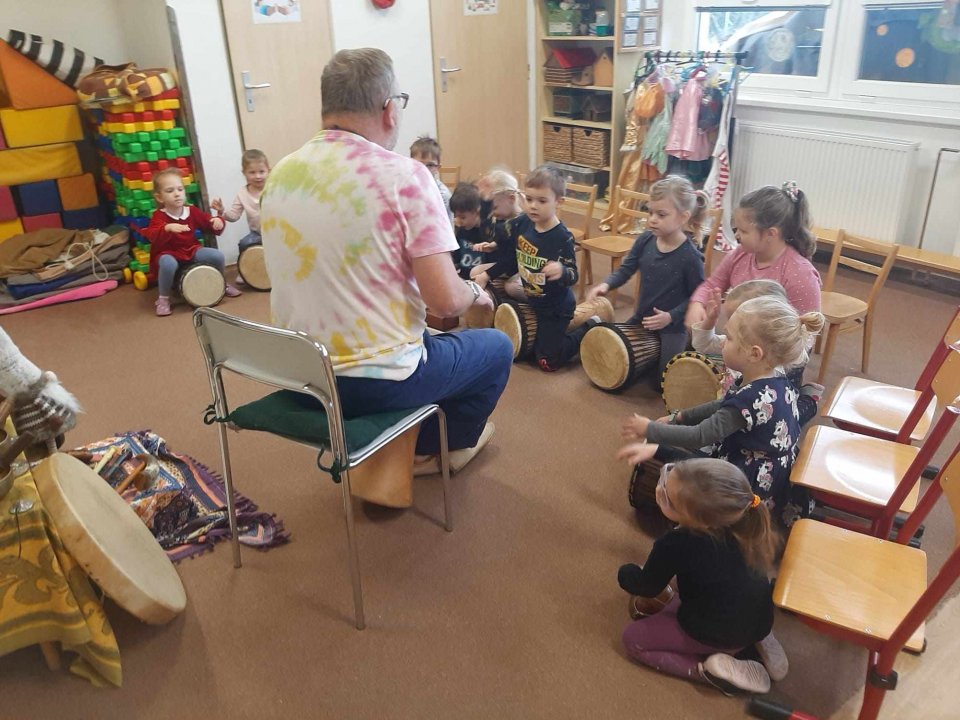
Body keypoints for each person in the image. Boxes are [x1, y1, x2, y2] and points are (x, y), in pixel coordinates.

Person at [259, 48, 512, 472]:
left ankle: (395, 436)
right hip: (377, 383)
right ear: (390, 109)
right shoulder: (406, 177)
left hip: (302, 378)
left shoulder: (282, 173)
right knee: (496, 347)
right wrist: (474, 291)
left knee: (430, 338)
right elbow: (445, 302)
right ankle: (430, 450)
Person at [620, 296, 825, 528]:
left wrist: (649, 429)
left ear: (754, 354)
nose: (722, 343)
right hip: (771, 462)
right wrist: (679, 417)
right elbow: (723, 405)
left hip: (751, 479)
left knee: (703, 474)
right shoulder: (776, 379)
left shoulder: (750, 398)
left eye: (729, 338)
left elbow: (700, 435)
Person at [617, 458, 787, 695]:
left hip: (718, 632)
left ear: (699, 520)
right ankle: (761, 640)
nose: (659, 490)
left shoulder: (675, 544)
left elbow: (647, 586)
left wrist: (627, 574)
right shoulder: (742, 523)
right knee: (724, 588)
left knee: (633, 639)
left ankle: (710, 671)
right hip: (759, 619)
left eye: (668, 498)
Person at [586, 175, 706, 382]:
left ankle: (689, 341)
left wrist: (670, 316)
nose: (652, 219)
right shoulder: (645, 239)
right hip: (642, 317)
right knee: (614, 354)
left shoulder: (691, 257)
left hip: (672, 327)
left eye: (661, 214)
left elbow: (697, 297)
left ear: (683, 217)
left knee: (662, 381)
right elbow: (626, 270)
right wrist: (606, 284)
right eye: (650, 212)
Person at [478, 166, 595, 372]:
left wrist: (561, 270)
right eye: (530, 199)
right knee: (522, 348)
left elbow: (573, 275)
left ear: (559, 202)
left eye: (542, 201)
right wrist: (494, 242)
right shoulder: (523, 222)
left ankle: (589, 327)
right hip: (532, 297)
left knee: (548, 362)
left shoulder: (562, 237)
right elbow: (501, 234)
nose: (533, 206)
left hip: (556, 307)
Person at [685, 182, 822, 329]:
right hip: (739, 337)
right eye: (736, 229)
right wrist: (697, 303)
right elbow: (713, 285)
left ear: (771, 234)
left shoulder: (800, 274)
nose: (736, 235)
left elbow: (808, 330)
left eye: (743, 231)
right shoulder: (739, 254)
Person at [694, 279, 820, 425]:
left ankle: (810, 398)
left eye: (736, 319)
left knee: (794, 419)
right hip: (735, 405)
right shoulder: (735, 342)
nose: (729, 324)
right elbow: (703, 345)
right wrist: (710, 321)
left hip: (760, 414)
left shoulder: (772, 373)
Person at [140, 168, 240, 317]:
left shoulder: (191, 211)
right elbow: (152, 235)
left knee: (216, 256)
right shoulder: (159, 216)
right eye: (170, 191)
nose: (177, 193)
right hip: (167, 252)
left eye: (180, 189)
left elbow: (209, 223)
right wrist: (167, 227)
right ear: (159, 197)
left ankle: (221, 284)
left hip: (190, 249)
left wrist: (218, 219)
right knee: (168, 263)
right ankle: (163, 299)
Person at [212, 148, 270, 253]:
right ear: (244, 173)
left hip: (277, 232)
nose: (258, 176)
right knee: (244, 244)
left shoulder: (273, 188)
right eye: (252, 172)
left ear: (268, 170)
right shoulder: (242, 194)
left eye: (261, 172)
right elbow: (234, 216)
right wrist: (221, 211)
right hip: (257, 234)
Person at [449, 182, 487, 280]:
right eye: (456, 216)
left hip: (480, 278)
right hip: (463, 277)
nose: (458, 220)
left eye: (463, 217)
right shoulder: (461, 230)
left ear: (477, 212)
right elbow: (457, 256)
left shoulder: (486, 231)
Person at [410, 136, 452, 219]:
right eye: (419, 164)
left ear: (437, 168)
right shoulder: (405, 187)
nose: (424, 169)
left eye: (430, 165)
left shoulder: (442, 195)